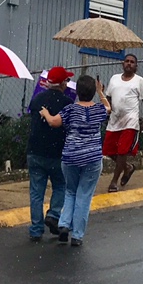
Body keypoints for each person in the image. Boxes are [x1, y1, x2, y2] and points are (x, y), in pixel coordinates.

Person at [40, 75, 110, 246]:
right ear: (93, 92)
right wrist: (101, 92)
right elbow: (108, 107)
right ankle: (77, 235)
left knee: (70, 191)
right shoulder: (99, 110)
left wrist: (46, 113)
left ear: (77, 92)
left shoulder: (70, 110)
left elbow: (54, 122)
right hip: (92, 158)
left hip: (71, 156)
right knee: (84, 195)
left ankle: (64, 224)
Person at [26, 66, 74, 242]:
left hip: (35, 151)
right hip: (57, 153)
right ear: (62, 83)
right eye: (66, 81)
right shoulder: (68, 103)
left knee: (36, 192)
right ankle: (53, 214)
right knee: (60, 186)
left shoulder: (37, 99)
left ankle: (36, 229)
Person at [102, 54, 143, 193]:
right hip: (114, 121)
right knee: (108, 150)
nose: (129, 64)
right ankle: (127, 168)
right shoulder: (114, 79)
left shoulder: (139, 81)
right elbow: (109, 98)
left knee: (122, 151)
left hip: (130, 122)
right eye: (127, 61)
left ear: (136, 66)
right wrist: (106, 110)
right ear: (122, 64)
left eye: (132, 62)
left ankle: (113, 182)